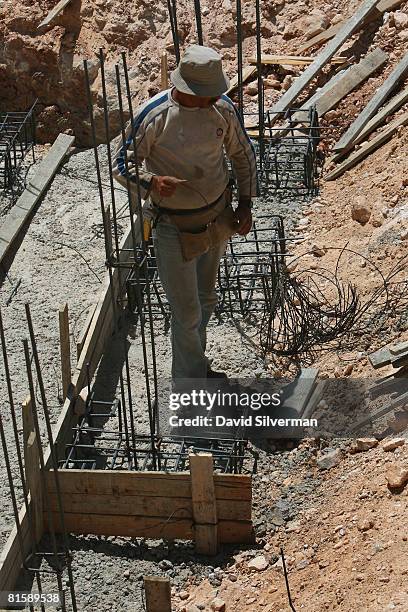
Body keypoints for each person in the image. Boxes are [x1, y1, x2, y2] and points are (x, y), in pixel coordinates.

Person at [113, 45, 258, 384]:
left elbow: (243, 154)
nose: (212, 100)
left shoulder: (221, 107)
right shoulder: (155, 115)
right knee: (187, 312)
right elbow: (121, 164)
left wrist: (246, 203)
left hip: (217, 219)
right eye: (205, 95)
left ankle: (196, 369)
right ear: (186, 89)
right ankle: (189, 386)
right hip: (174, 228)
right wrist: (150, 182)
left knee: (206, 300)